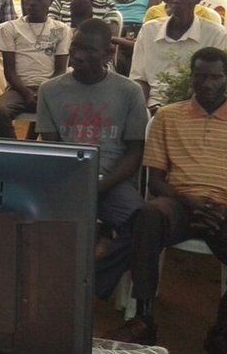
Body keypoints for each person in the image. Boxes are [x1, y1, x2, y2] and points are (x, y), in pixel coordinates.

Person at [106, 47, 227, 352]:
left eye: (215, 77)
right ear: (191, 77)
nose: (206, 83)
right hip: (179, 203)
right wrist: (190, 201)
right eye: (200, 76)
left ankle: (225, 330)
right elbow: (155, 181)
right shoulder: (168, 115)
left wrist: (226, 211)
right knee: (148, 215)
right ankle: (143, 318)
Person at [36, 18, 149, 296]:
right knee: (27, 217)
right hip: (67, 180)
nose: (78, 56)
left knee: (143, 224)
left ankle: (89, 288)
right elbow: (52, 150)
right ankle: (42, 284)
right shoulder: (49, 91)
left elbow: (135, 152)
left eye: (89, 50)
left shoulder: (129, 92)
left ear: (109, 54)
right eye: (75, 48)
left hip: (112, 181)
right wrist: (76, 183)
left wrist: (101, 185)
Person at [130, 0, 227, 110]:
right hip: (153, 104)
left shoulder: (214, 34)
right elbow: (139, 78)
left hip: (194, 106)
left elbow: (214, 83)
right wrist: (142, 110)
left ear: (197, 0)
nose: (176, 0)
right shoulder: (149, 30)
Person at [0, 0, 70, 138]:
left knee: (66, 115)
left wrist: (43, 93)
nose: (33, 3)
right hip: (18, 89)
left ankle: (44, 154)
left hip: (50, 89)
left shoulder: (61, 30)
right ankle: (15, 153)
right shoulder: (11, 28)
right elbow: (10, 72)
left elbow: (60, 71)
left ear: (51, 1)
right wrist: (27, 94)